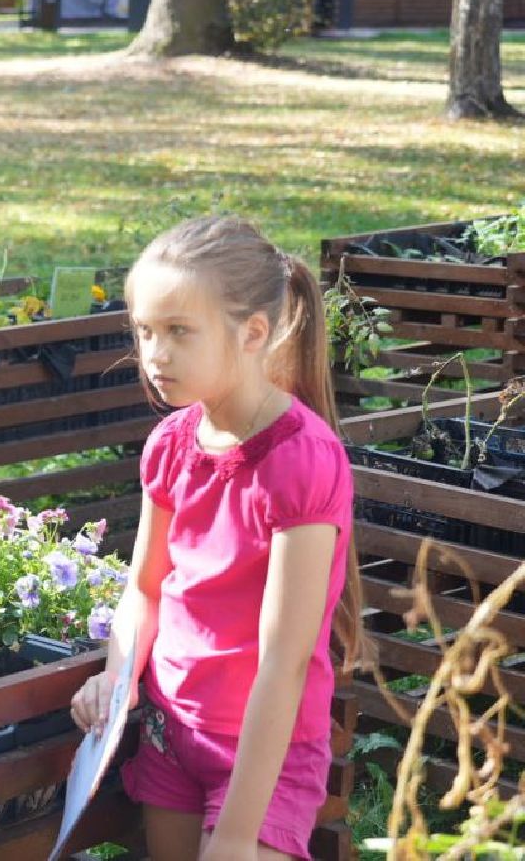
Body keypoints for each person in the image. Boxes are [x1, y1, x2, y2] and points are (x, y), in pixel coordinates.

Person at [70, 215, 367, 861]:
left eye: (179, 332)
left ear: (251, 333)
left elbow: (283, 662)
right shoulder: (168, 448)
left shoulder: (302, 463)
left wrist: (235, 833)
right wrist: (114, 680)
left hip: (264, 754)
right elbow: (144, 590)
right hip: (169, 736)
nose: (154, 354)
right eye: (144, 332)